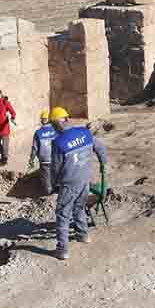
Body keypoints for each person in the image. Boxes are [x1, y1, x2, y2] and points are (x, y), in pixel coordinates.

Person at [48, 106, 109, 262]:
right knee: (79, 207)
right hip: (85, 179)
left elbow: (55, 168)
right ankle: (83, 235)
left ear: (59, 123)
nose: (54, 128)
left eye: (54, 124)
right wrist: (103, 164)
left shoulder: (58, 142)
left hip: (69, 183)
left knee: (62, 214)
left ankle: (62, 250)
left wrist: (53, 184)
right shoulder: (85, 133)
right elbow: (100, 147)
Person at [28, 109, 59, 195]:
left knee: (47, 181)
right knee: (57, 178)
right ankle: (56, 196)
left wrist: (31, 159)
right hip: (56, 159)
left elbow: (34, 148)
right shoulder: (56, 130)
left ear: (41, 120)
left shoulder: (38, 133)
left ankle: (49, 196)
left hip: (44, 160)